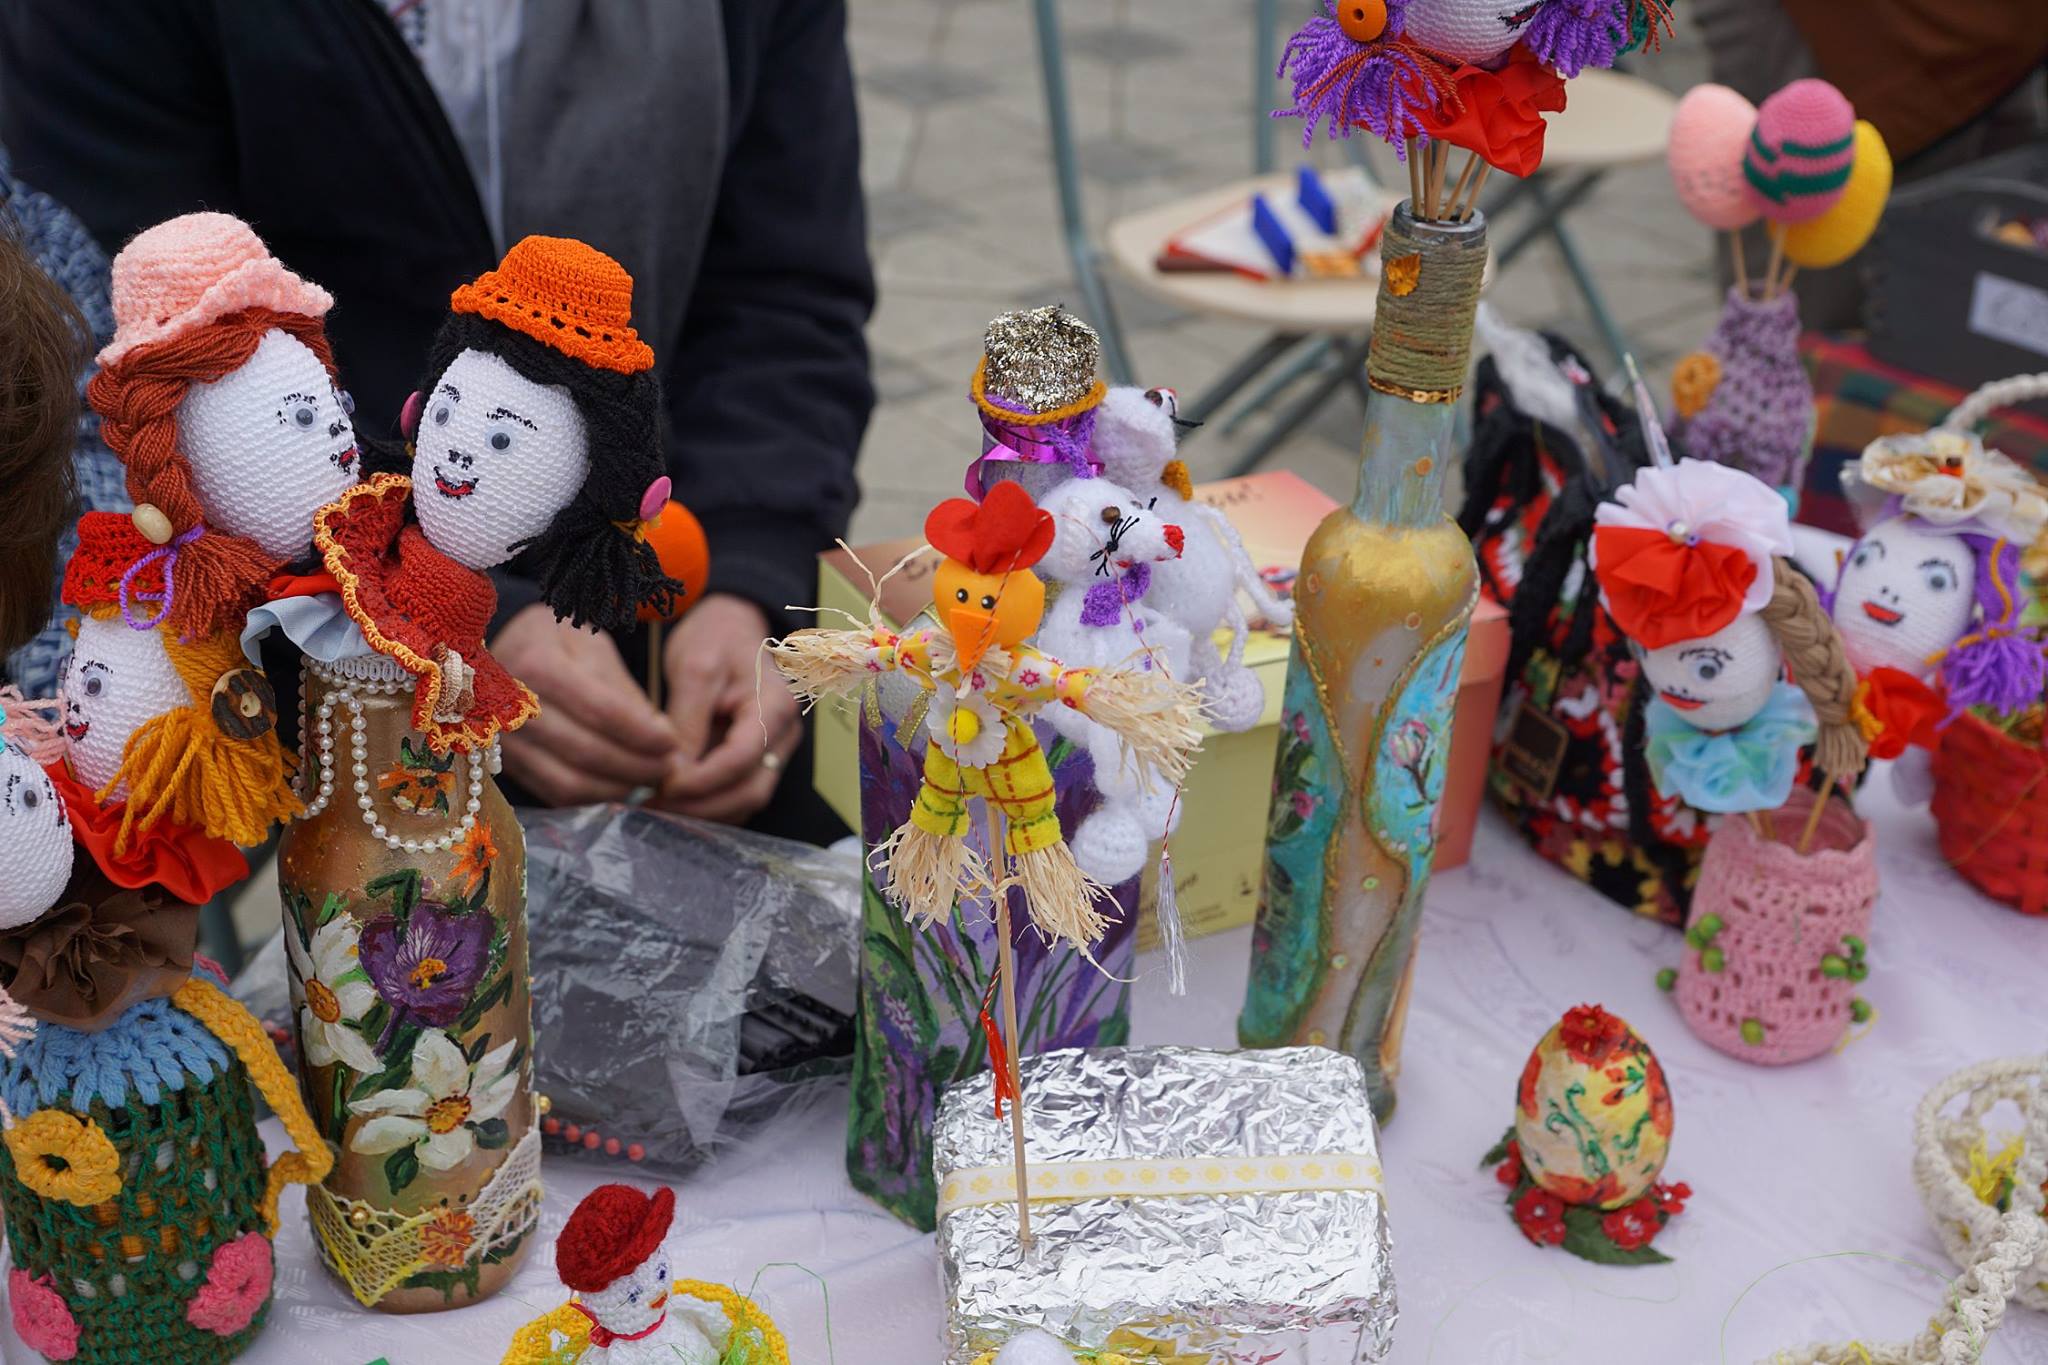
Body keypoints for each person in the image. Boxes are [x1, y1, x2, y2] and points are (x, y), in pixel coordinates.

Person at [0, 0, 875, 839]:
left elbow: (784, 289)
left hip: (670, 581)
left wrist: (749, 578)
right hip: (320, 613)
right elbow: (158, 371)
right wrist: (446, 615)